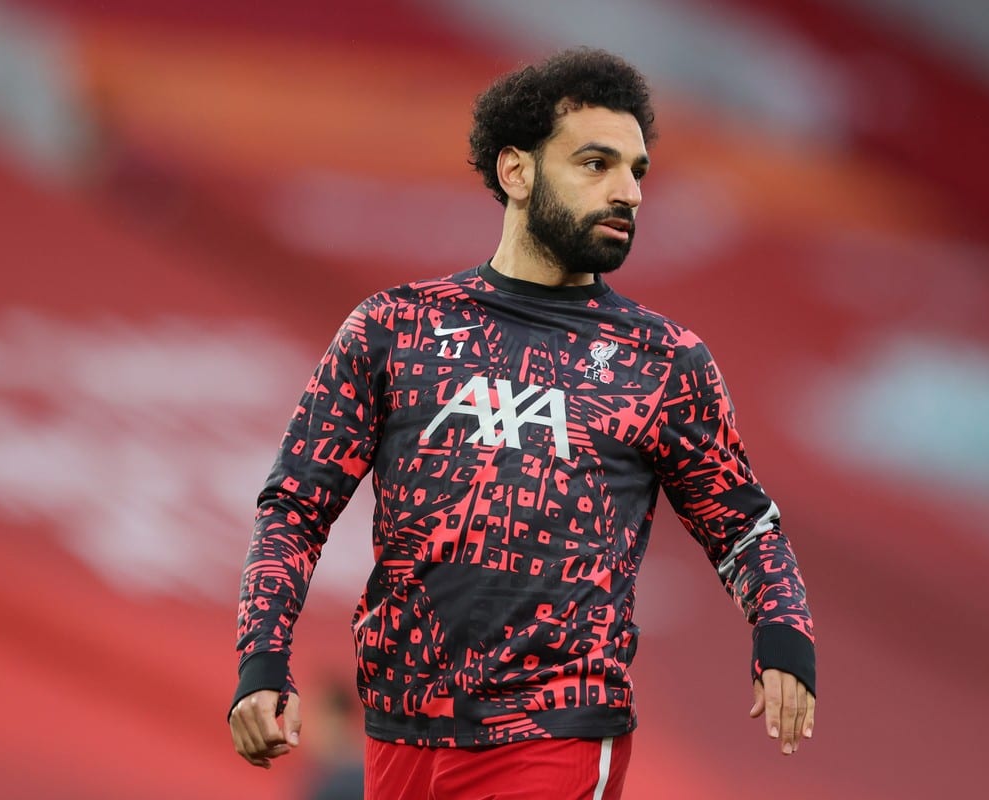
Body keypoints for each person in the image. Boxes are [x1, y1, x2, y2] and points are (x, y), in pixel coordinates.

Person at [229, 47, 816, 799]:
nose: (628, 191)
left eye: (637, 171)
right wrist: (261, 661)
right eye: (596, 164)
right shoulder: (394, 327)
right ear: (517, 172)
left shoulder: (664, 361)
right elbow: (296, 506)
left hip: (557, 732)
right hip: (399, 731)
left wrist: (784, 637)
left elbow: (745, 528)